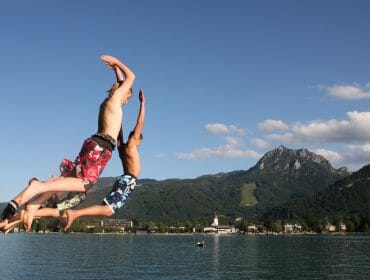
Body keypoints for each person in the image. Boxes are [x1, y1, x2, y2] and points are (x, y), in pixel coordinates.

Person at [0, 55, 135, 229]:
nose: (126, 101)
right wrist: (117, 63)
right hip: (101, 147)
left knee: (72, 179)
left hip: (94, 145)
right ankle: (38, 187)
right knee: (85, 183)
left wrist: (116, 72)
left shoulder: (108, 102)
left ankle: (34, 204)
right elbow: (131, 77)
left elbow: (122, 82)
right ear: (122, 92)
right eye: (127, 97)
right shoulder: (116, 99)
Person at [63, 88, 145, 231]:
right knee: (108, 210)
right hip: (129, 181)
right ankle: (74, 213)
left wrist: (119, 105)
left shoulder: (122, 147)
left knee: (106, 210)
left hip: (124, 179)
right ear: (137, 138)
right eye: (139, 140)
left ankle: (75, 213)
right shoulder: (132, 145)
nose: (139, 143)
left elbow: (118, 128)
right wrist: (142, 104)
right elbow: (139, 123)